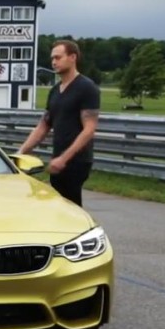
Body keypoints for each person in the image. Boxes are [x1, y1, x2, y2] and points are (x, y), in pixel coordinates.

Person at [17, 39, 100, 206]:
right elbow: (43, 126)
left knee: (70, 205)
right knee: (58, 205)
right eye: (52, 58)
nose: (54, 62)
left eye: (58, 57)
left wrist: (64, 158)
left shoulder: (86, 88)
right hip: (58, 158)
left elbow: (89, 129)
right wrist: (21, 152)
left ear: (72, 57)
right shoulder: (55, 90)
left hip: (76, 160)